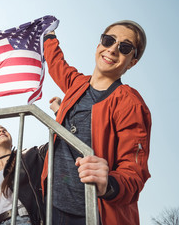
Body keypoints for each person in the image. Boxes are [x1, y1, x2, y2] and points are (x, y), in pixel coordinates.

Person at [41, 20, 151, 224]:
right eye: (109, 40)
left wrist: (109, 183)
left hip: (94, 214)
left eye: (125, 47)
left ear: (132, 62)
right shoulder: (77, 84)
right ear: (99, 45)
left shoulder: (130, 103)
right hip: (53, 206)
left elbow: (134, 169)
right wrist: (49, 36)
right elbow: (57, 64)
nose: (112, 50)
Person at [0, 124, 46, 225]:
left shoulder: (29, 155)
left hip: (20, 220)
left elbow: (52, 147)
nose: (1, 131)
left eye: (4, 129)